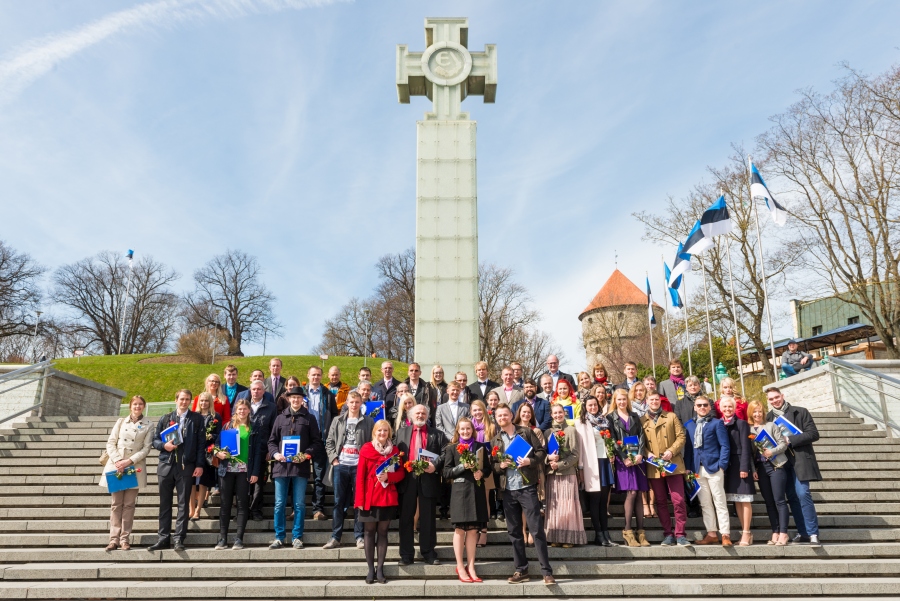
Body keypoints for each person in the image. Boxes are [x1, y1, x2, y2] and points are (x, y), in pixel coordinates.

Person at [490, 403, 555, 585]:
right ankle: (521, 570)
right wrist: (500, 466)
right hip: (508, 491)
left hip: (527, 488)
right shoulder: (495, 440)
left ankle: (546, 572)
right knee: (515, 532)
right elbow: (493, 466)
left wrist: (529, 461)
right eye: (499, 416)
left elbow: (542, 452)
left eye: (505, 415)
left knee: (536, 530)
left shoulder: (525, 432)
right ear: (496, 419)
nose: (502, 418)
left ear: (511, 415)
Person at [148, 389, 205, 551]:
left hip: (186, 467)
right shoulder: (166, 418)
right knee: (164, 504)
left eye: (187, 399)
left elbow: (201, 444)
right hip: (166, 465)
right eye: (181, 399)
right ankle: (163, 537)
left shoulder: (197, 419)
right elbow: (155, 440)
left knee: (183, 504)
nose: (184, 402)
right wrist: (163, 446)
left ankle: (179, 538)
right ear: (176, 400)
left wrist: (200, 465)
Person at [267, 387, 324, 549]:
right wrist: (276, 454)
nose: (296, 400)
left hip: (300, 468)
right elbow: (271, 441)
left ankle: (297, 537)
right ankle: (279, 537)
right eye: (293, 398)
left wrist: (306, 455)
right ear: (289, 399)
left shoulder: (310, 418)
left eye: (299, 398)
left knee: (299, 504)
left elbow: (317, 442)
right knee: (279, 504)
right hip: (281, 467)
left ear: (302, 400)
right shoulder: (280, 418)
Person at [766, 387, 822, 546]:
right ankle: (803, 532)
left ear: (782, 396)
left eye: (777, 397)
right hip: (781, 462)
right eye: (771, 399)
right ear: (768, 401)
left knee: (803, 493)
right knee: (791, 497)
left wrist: (791, 440)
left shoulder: (800, 412)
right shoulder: (768, 418)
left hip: (800, 460)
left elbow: (813, 434)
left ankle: (813, 534)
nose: (775, 400)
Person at [395, 404, 447, 565]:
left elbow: (445, 452)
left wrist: (435, 465)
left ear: (428, 416)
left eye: (423, 413)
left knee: (428, 517)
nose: (420, 415)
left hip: (428, 478)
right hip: (407, 478)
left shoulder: (437, 434)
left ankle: (429, 552)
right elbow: (394, 454)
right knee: (405, 518)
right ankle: (406, 554)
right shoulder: (401, 433)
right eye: (417, 413)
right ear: (411, 416)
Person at [101, 395, 154, 551]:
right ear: (130, 406)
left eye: (140, 404)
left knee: (129, 505)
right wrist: (118, 461)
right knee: (116, 504)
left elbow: (147, 448)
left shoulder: (149, 425)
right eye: (134, 404)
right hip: (117, 466)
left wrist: (128, 461)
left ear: (144, 406)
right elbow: (111, 442)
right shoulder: (120, 422)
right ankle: (113, 539)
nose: (137, 407)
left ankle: (125, 539)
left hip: (133, 467)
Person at [355, 419, 405, 584]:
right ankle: (370, 569)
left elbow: (401, 474)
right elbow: (360, 476)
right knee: (369, 532)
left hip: (387, 497)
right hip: (369, 498)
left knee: (383, 532)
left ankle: (380, 569)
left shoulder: (395, 451)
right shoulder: (366, 449)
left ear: (389, 433)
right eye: (379, 431)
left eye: (385, 431)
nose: (382, 434)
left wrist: (388, 477)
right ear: (374, 432)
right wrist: (359, 500)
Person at [323, 391, 374, 550]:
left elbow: (372, 443)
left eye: (357, 402)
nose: (354, 405)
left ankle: (359, 537)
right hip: (341, 465)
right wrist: (334, 460)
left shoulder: (368, 421)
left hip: (359, 466)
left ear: (361, 403)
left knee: (359, 502)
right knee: (338, 502)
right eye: (351, 402)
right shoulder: (337, 420)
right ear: (346, 403)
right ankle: (335, 536)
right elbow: (329, 442)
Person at [443, 416, 491, 582]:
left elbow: (488, 468)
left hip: (476, 491)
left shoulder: (480, 447)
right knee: (460, 530)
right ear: (458, 431)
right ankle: (460, 565)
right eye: (462, 429)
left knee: (472, 530)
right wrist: (462, 466)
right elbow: (446, 472)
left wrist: (481, 473)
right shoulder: (452, 449)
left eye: (468, 429)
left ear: (473, 430)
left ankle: (471, 566)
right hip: (460, 492)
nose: (465, 431)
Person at [213, 398, 264, 550]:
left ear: (249, 411)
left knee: (242, 505)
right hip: (226, 469)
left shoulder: (254, 428)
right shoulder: (227, 426)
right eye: (239, 409)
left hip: (244, 471)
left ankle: (238, 539)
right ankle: (222, 539)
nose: (242, 411)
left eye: (245, 409)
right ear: (235, 410)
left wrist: (255, 472)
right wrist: (218, 453)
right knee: (225, 504)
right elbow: (215, 445)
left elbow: (257, 453)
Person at [641, 391, 691, 546]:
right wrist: (647, 454)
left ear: (660, 401)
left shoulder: (671, 416)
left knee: (678, 500)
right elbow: (639, 442)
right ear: (647, 401)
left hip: (673, 464)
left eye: (657, 399)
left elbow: (681, 436)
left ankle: (681, 534)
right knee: (661, 501)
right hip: (655, 467)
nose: (654, 402)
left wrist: (671, 451)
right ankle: (668, 534)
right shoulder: (642, 420)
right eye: (651, 399)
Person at [683, 395, 732, 546]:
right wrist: (688, 468)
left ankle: (725, 534)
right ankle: (711, 533)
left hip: (714, 468)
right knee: (705, 503)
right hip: (697, 470)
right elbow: (689, 449)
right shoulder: (689, 425)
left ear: (710, 407)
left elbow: (725, 445)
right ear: (695, 407)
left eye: (705, 405)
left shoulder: (717, 424)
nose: (702, 407)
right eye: (699, 405)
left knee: (719, 501)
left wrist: (722, 465)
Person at [609, 388, 649, 547]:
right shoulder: (611, 418)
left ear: (628, 400)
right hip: (623, 460)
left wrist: (640, 454)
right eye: (619, 400)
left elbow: (641, 436)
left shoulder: (634, 416)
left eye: (624, 399)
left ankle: (641, 532)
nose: (622, 402)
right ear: (615, 401)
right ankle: (627, 531)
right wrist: (624, 458)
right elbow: (612, 440)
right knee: (631, 492)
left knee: (639, 493)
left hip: (637, 459)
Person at [575, 395, 616, 547]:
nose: (593, 407)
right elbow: (580, 447)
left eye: (595, 405)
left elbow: (609, 441)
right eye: (590, 405)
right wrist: (580, 468)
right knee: (595, 500)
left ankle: (606, 533)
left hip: (605, 462)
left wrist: (611, 452)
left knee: (603, 501)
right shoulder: (581, 423)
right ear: (585, 406)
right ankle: (598, 534)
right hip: (591, 464)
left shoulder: (605, 421)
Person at [747, 400, 790, 546]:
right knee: (769, 503)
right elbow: (749, 454)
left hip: (776, 466)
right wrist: (753, 470)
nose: (757, 414)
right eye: (754, 411)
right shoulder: (749, 430)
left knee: (779, 500)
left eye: (759, 411)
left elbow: (783, 444)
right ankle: (775, 531)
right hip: (761, 469)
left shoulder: (771, 425)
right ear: (750, 414)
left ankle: (783, 533)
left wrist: (772, 451)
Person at [544, 403, 586, 547]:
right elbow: (543, 454)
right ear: (551, 415)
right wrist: (548, 460)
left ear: (564, 413)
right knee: (554, 507)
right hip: (552, 474)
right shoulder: (547, 432)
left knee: (568, 506)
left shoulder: (571, 430)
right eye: (555, 413)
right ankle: (555, 536)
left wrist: (560, 464)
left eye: (560, 413)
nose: (558, 415)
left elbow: (575, 455)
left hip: (567, 473)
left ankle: (569, 538)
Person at [306, 366, 340, 523]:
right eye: (313, 375)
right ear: (308, 376)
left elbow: (334, 415)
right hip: (303, 440)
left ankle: (318, 509)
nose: (316, 377)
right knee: (299, 475)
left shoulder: (327, 394)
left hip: (321, 439)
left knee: (320, 476)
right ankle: (295, 509)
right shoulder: (301, 393)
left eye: (318, 375)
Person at [720, 396, 754, 546]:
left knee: (745, 499)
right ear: (720, 408)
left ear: (734, 408)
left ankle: (746, 532)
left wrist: (744, 467)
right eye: (725, 407)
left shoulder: (742, 423)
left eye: (730, 407)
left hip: (740, 464)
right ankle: (745, 531)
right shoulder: (719, 424)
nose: (727, 409)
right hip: (728, 466)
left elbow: (746, 447)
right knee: (737, 500)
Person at [246, 379, 278, 522]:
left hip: (262, 450)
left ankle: (256, 510)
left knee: (259, 483)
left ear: (264, 391)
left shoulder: (271, 407)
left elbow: (274, 431)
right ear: (250, 390)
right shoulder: (243, 406)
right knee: (243, 482)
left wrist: (270, 450)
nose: (256, 391)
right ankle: (244, 510)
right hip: (245, 451)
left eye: (259, 389)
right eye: (254, 389)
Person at [513, 401, 545, 540]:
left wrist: (529, 461)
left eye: (528, 412)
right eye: (523, 412)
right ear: (519, 413)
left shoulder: (536, 430)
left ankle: (532, 531)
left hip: (533, 468)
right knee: (519, 505)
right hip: (515, 470)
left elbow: (540, 452)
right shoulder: (513, 429)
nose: (526, 414)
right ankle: (522, 531)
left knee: (531, 504)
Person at [189, 392, 221, 521]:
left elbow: (219, 435)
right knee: (191, 483)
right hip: (193, 453)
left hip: (207, 453)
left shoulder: (215, 416)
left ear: (210, 402)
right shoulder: (192, 416)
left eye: (206, 401)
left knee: (203, 483)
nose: (203, 403)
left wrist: (211, 436)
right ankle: (191, 509)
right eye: (201, 401)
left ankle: (198, 510)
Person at [470, 399, 497, 540]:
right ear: (471, 412)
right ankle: (473, 531)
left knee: (484, 499)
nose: (478, 412)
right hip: (471, 468)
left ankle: (484, 532)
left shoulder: (491, 427)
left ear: (484, 411)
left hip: (486, 467)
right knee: (473, 499)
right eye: (475, 410)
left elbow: (497, 446)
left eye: (480, 409)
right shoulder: (469, 427)